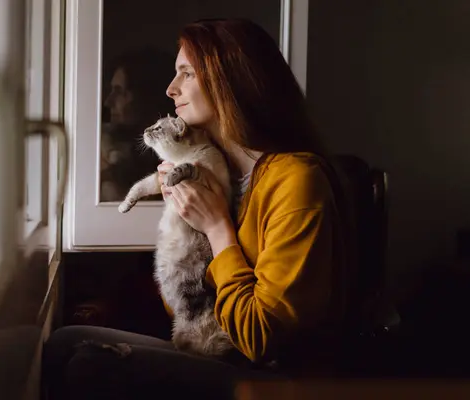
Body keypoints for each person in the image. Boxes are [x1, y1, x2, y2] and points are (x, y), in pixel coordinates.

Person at [43, 18, 352, 399]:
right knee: (64, 342)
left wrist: (218, 227)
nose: (171, 90)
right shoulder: (220, 172)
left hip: (271, 374)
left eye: (186, 74)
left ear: (230, 80)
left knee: (90, 364)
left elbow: (261, 338)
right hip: (221, 349)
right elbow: (186, 311)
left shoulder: (296, 180)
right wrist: (185, 225)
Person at [99, 48, 175, 202]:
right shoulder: (103, 147)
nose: (109, 101)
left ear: (144, 97)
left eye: (120, 92)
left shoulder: (174, 159)